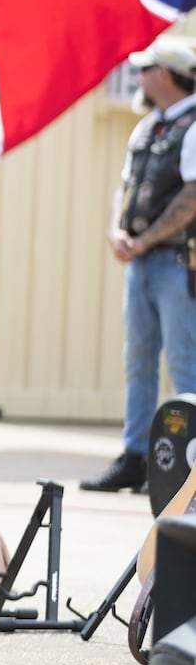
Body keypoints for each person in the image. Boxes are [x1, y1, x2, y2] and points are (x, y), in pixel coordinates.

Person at [82, 37, 196, 493]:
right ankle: (137, 458)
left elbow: (192, 197)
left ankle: (186, 463)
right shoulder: (148, 126)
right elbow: (124, 188)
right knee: (139, 359)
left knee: (184, 361)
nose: (139, 77)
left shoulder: (192, 124)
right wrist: (117, 232)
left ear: (164, 75)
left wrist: (143, 239)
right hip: (144, 261)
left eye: (145, 68)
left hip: (175, 260)